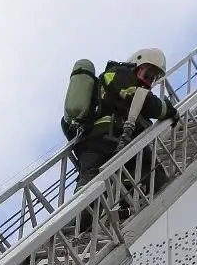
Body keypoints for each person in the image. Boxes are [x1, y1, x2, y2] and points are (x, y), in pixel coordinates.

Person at [64, 46, 180, 186]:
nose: (147, 81)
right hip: (110, 138)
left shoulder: (108, 83)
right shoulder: (122, 74)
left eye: (153, 78)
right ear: (135, 65)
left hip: (89, 142)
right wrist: (169, 110)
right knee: (152, 172)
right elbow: (147, 103)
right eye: (146, 74)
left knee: (88, 183)